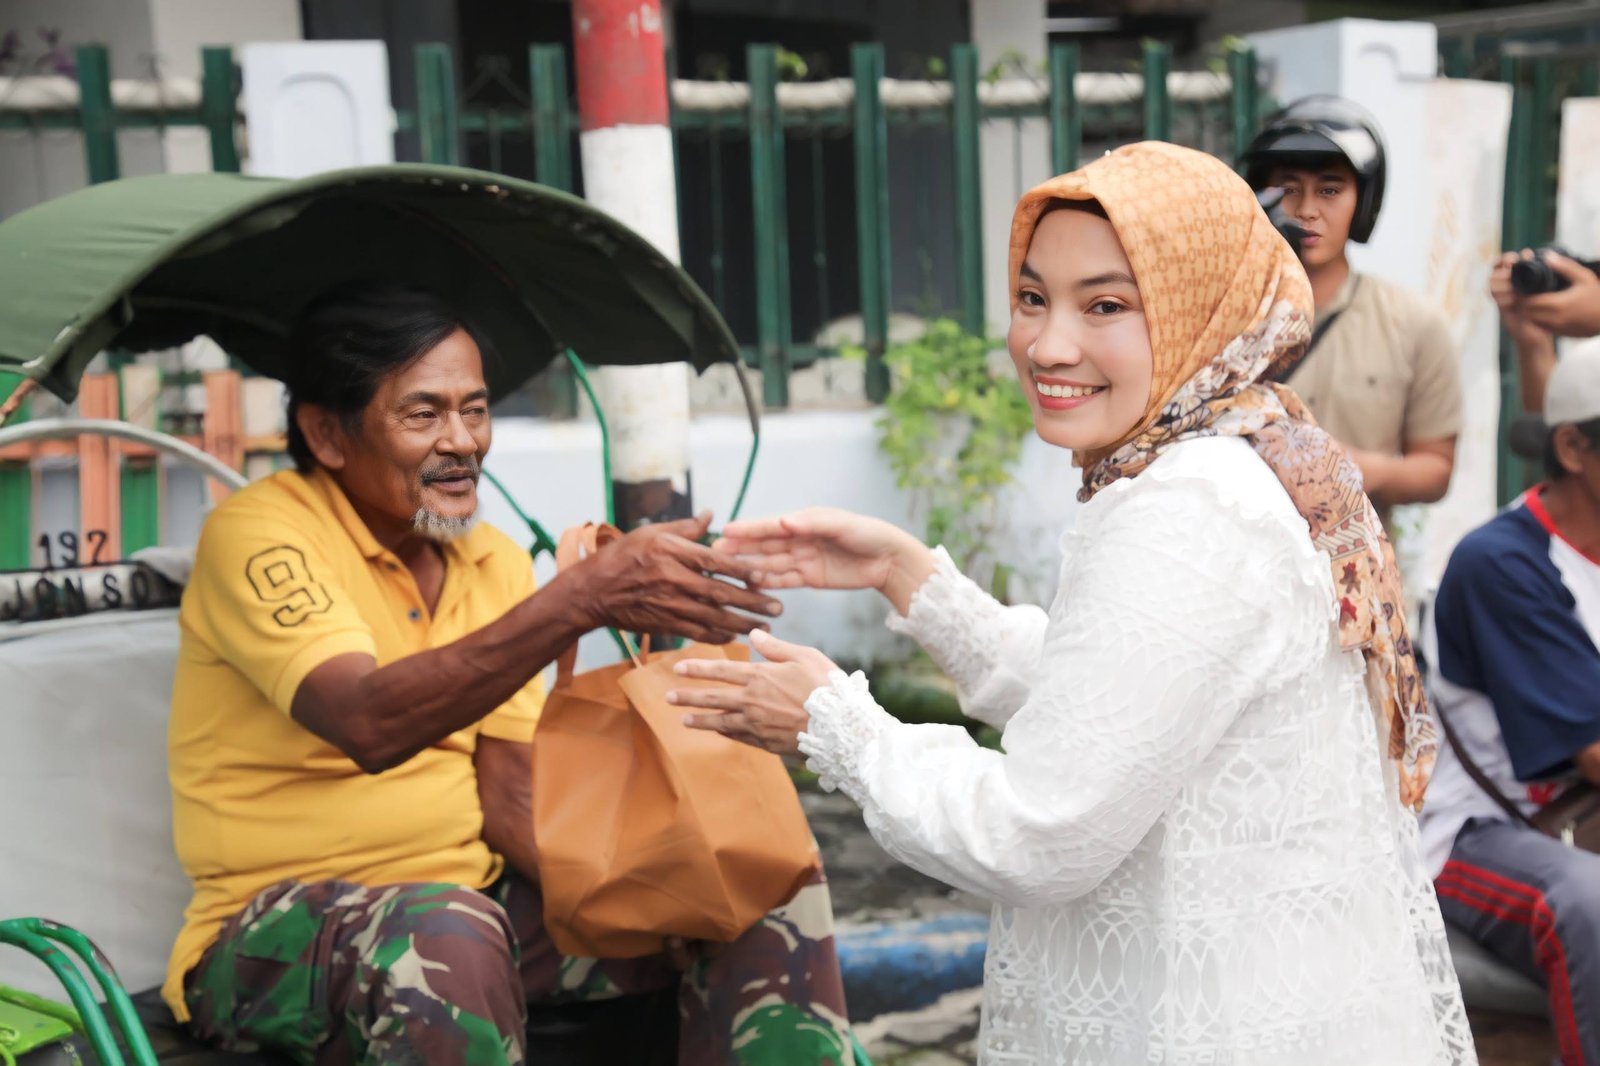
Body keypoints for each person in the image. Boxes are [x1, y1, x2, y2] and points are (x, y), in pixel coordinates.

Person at [668, 142, 1475, 1064]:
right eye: (1030, 297)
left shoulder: (1188, 506)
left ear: (1193, 308)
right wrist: (909, 578)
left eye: (1106, 305)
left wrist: (834, 724)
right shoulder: (1229, 449)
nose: (1048, 345)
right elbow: (1113, 706)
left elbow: (1040, 832)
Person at [162, 282, 852, 1065]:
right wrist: (582, 597)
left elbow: (510, 790)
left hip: (473, 913)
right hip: (270, 935)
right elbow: (366, 721)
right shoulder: (262, 532)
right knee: (447, 934)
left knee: (753, 885)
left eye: (476, 409)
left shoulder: (486, 559)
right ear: (327, 433)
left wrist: (668, 875)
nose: (462, 441)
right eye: (423, 414)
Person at [1418, 345, 1600, 1066]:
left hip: (1576, 818)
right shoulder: (1502, 564)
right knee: (1589, 905)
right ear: (1574, 446)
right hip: (1479, 830)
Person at [1241, 95, 1461, 531]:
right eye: (1287, 188)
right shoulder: (1225, 319)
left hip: (1357, 573)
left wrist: (1343, 466)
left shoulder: (1414, 322)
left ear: (1363, 203)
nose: (1306, 210)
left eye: (1329, 189)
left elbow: (1435, 468)